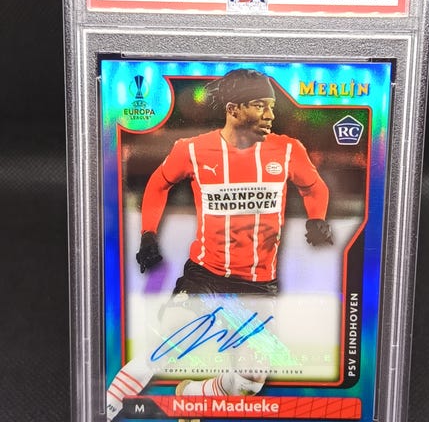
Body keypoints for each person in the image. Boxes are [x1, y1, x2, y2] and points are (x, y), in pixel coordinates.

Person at [106, 68, 333, 421]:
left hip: (257, 286)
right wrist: (149, 233)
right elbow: (159, 183)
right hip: (205, 276)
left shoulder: (287, 150)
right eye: (260, 105)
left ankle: (192, 394)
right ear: (233, 109)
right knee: (166, 343)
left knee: (249, 382)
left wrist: (316, 218)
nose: (270, 115)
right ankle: (102, 410)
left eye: (272, 107)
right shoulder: (193, 150)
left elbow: (314, 187)